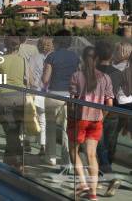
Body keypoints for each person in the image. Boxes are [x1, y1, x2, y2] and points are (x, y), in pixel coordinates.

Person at [68, 46, 114, 201]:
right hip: (96, 120)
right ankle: (93, 194)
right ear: (97, 59)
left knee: (73, 151)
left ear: (82, 58)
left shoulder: (76, 76)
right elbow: (109, 103)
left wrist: (70, 117)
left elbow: (72, 101)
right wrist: (102, 116)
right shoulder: (106, 78)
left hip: (79, 119)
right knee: (92, 155)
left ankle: (82, 182)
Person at [42, 29, 78, 166]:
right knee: (66, 129)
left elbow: (45, 79)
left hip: (53, 95)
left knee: (50, 127)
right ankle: (66, 159)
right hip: (69, 97)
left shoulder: (51, 56)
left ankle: (50, 158)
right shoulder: (75, 57)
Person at [0, 36, 26, 169]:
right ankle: (11, 159)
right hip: (20, 97)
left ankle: (15, 159)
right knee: (16, 129)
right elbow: (28, 80)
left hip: (5, 97)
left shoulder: (0, 59)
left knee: (9, 131)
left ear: (6, 45)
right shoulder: (23, 60)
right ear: (18, 46)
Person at [94, 39, 123, 174]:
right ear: (111, 56)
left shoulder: (92, 72)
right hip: (113, 112)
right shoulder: (118, 73)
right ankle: (107, 167)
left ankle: (104, 169)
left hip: (95, 112)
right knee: (110, 143)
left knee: (98, 144)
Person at [25, 37, 54, 155]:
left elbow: (29, 76)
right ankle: (43, 145)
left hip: (35, 91)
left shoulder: (33, 58)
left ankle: (27, 142)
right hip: (48, 92)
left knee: (30, 117)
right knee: (43, 120)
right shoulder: (53, 58)